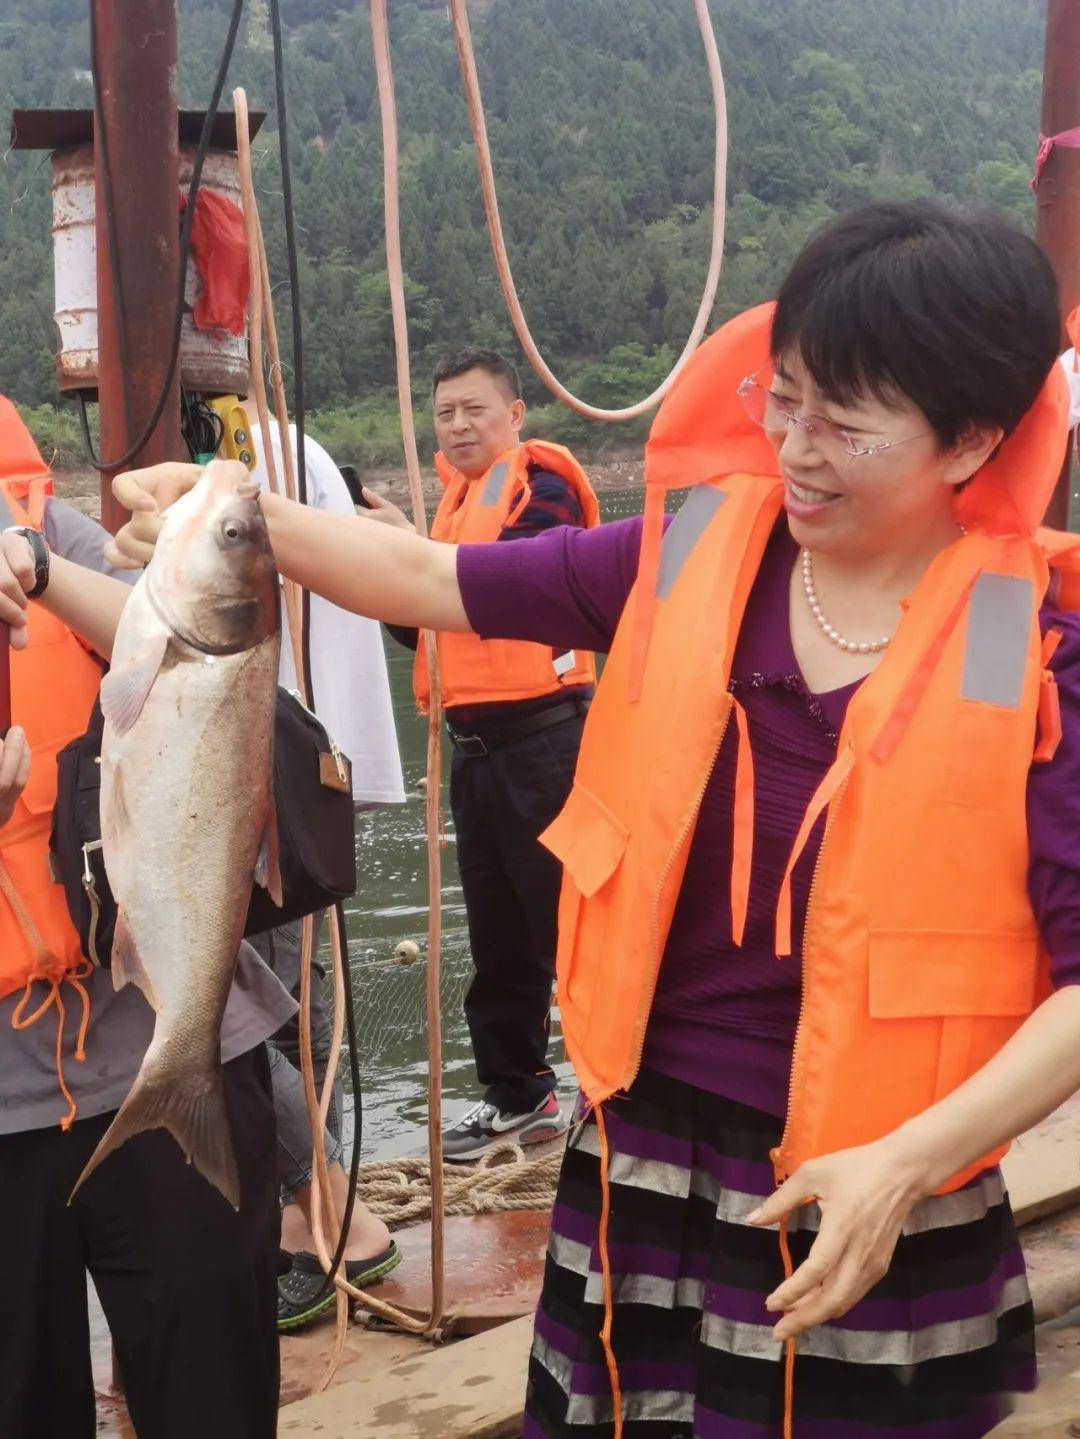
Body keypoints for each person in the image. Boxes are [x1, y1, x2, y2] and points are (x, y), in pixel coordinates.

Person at [104, 199, 1080, 1438]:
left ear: (969, 441)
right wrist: (228, 517)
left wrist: (903, 1163)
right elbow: (431, 578)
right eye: (783, 401)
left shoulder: (1040, 664)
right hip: (639, 1154)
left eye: (847, 421)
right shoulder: (690, 557)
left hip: (869, 1185)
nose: (797, 448)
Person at [0, 397, 292, 1438]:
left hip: (179, 1039)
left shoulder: (52, 536)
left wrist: (30, 560)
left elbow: (188, 627)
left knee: (212, 1400)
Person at [364, 349, 600, 1160]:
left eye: (474, 410)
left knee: (572, 925)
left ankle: (612, 1095)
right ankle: (520, 1095)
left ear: (515, 415)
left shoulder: (544, 485)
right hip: (477, 753)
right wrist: (395, 560)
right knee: (499, 935)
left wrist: (415, 561)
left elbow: (522, 582)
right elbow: (424, 628)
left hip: (549, 741)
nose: (458, 426)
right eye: (444, 414)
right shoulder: (452, 511)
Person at [247, 424, 406, 1329]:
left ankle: (331, 1208)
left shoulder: (257, 454)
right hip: (313, 770)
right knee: (301, 1010)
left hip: (273, 775)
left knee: (251, 1010)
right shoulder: (290, 449)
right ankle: (315, 1213)